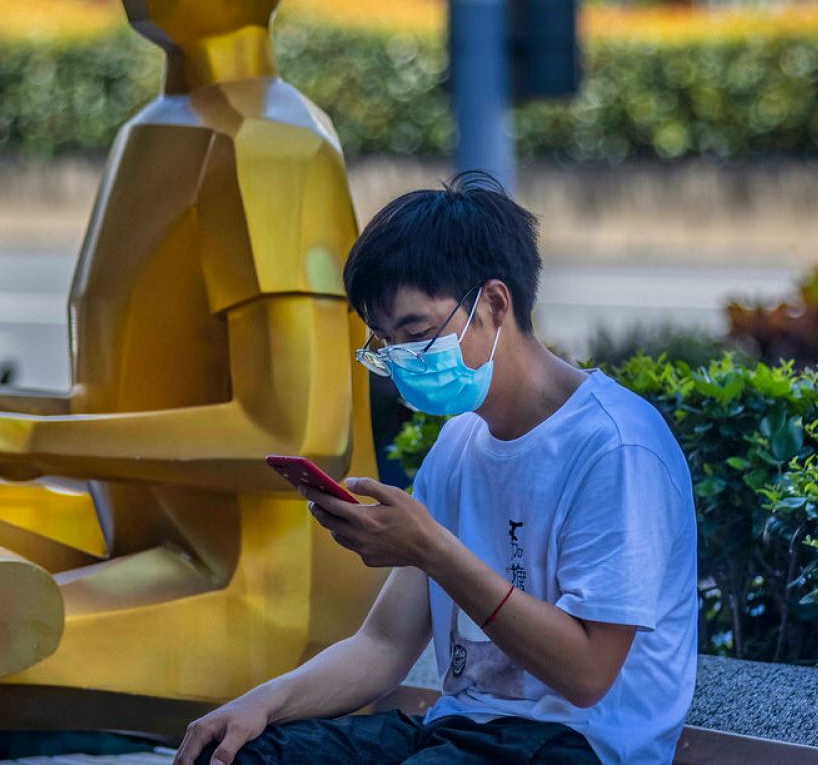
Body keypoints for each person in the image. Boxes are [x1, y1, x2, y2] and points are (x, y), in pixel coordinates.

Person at [175, 172, 698, 765]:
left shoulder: (616, 447)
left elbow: (587, 674)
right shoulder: (459, 445)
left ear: (495, 305)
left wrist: (432, 548)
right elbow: (382, 644)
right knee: (237, 757)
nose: (400, 359)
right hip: (460, 732)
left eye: (416, 332)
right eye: (385, 342)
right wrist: (262, 704)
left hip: (579, 746)